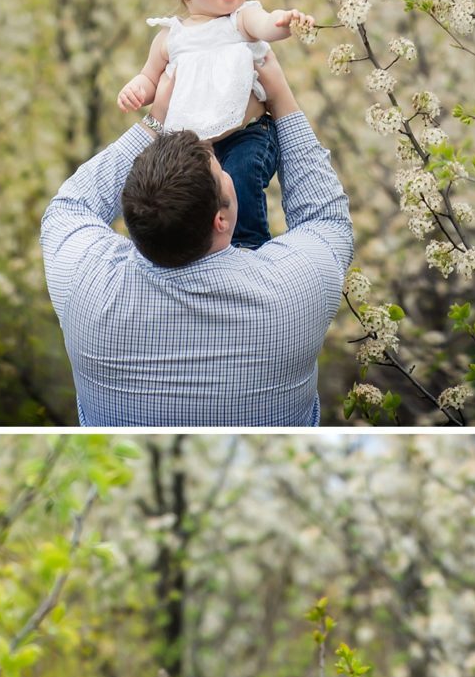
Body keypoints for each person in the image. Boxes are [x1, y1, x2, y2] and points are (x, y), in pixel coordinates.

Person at [40, 50, 351, 428]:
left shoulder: (84, 287)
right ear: (220, 218)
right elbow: (327, 219)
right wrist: (282, 99)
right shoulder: (291, 294)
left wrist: (154, 122)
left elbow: (71, 204)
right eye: (222, 172)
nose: (227, 171)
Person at [117, 0, 312, 252]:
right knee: (179, 194)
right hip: (194, 145)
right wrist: (136, 89)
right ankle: (195, 249)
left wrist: (283, 22)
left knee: (240, 176)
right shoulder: (170, 37)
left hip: (246, 134)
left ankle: (249, 244)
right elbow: (150, 79)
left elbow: (266, 23)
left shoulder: (241, 20)